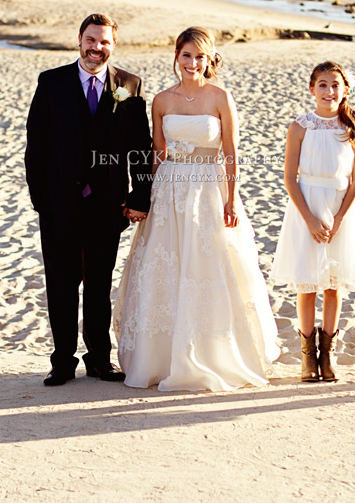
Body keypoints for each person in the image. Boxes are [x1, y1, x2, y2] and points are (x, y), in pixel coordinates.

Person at [113, 26, 279, 392]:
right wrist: (146, 198)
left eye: (199, 56)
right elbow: (156, 155)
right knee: (165, 268)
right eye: (186, 55)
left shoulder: (220, 97)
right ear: (177, 56)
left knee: (208, 267)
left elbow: (231, 152)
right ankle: (158, 359)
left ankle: (212, 352)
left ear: (209, 59)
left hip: (207, 189)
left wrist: (232, 198)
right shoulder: (161, 100)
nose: (192, 63)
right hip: (169, 190)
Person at [25, 14, 153, 387]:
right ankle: (62, 361)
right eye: (91, 40)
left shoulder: (129, 85)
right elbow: (37, 146)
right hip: (59, 207)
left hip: (107, 207)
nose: (97, 48)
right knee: (61, 286)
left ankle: (99, 359)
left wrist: (139, 195)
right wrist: (41, 202)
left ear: (113, 45)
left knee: (98, 287)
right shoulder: (51, 82)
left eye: (105, 42)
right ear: (79, 39)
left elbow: (140, 149)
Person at [271, 61, 355, 382]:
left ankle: (327, 355)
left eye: (335, 85)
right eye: (322, 85)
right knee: (307, 285)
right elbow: (290, 178)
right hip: (306, 208)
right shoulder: (300, 126)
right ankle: (307, 357)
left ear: (345, 90)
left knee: (333, 285)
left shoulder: (352, 126)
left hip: (341, 207)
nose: (329, 91)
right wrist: (310, 219)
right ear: (311, 89)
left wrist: (341, 216)